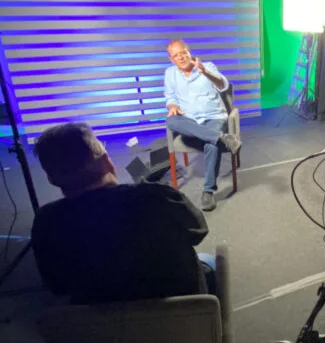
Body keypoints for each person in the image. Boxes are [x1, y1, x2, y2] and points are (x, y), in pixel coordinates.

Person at [31, 121, 212, 304]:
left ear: (52, 179)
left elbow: (57, 285)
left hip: (100, 320)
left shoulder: (46, 222)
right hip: (180, 315)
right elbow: (199, 231)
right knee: (208, 262)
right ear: (106, 161)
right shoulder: (158, 198)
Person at [163, 39, 241, 212]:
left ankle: (208, 191)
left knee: (211, 145)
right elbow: (170, 97)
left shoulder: (207, 66)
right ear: (171, 59)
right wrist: (172, 106)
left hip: (213, 117)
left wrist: (205, 73)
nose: (180, 57)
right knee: (171, 120)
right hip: (189, 119)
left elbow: (223, 85)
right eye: (175, 55)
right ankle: (222, 138)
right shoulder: (169, 73)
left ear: (188, 51)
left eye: (183, 53)